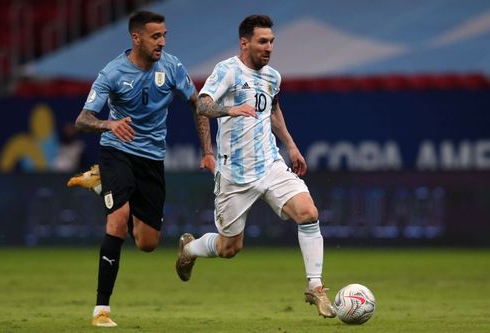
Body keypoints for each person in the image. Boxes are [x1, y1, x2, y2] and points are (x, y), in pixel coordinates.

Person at [175, 14, 336, 318]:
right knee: (228, 249)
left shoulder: (272, 77)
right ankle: (190, 249)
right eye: (263, 41)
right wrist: (230, 109)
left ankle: (315, 287)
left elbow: (272, 109)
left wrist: (290, 145)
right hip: (234, 175)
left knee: (308, 213)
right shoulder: (227, 71)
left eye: (272, 41)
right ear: (244, 42)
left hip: (270, 164)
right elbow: (203, 104)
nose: (269, 47)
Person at [70, 10, 215, 327]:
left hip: (151, 160)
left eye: (164, 35)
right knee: (118, 221)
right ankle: (101, 310)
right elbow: (82, 120)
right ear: (136, 38)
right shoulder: (112, 72)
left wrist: (208, 151)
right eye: (155, 36)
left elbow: (198, 105)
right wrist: (110, 124)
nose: (162, 42)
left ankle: (98, 183)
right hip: (117, 151)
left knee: (147, 243)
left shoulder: (172, 66)